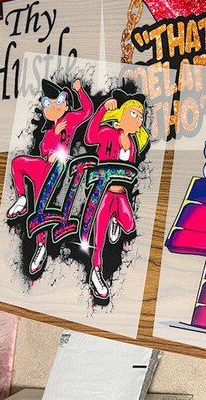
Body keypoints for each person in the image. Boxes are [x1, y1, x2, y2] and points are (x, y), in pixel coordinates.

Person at [7, 79, 93, 275]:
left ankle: (41, 247)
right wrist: (54, 132)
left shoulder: (70, 119)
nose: (53, 107)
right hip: (43, 168)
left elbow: (87, 111)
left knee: (42, 208)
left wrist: (79, 91)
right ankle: (22, 199)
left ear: (66, 104)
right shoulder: (49, 131)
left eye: (58, 102)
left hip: (57, 171)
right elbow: (44, 149)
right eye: (48, 104)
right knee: (18, 163)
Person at [84, 90, 150, 300]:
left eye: (140, 116)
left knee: (129, 226)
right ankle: (96, 271)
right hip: (103, 195)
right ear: (121, 115)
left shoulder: (133, 144)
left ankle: (116, 220)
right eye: (133, 114)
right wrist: (103, 109)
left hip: (121, 196)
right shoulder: (108, 134)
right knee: (99, 238)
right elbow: (90, 137)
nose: (138, 119)